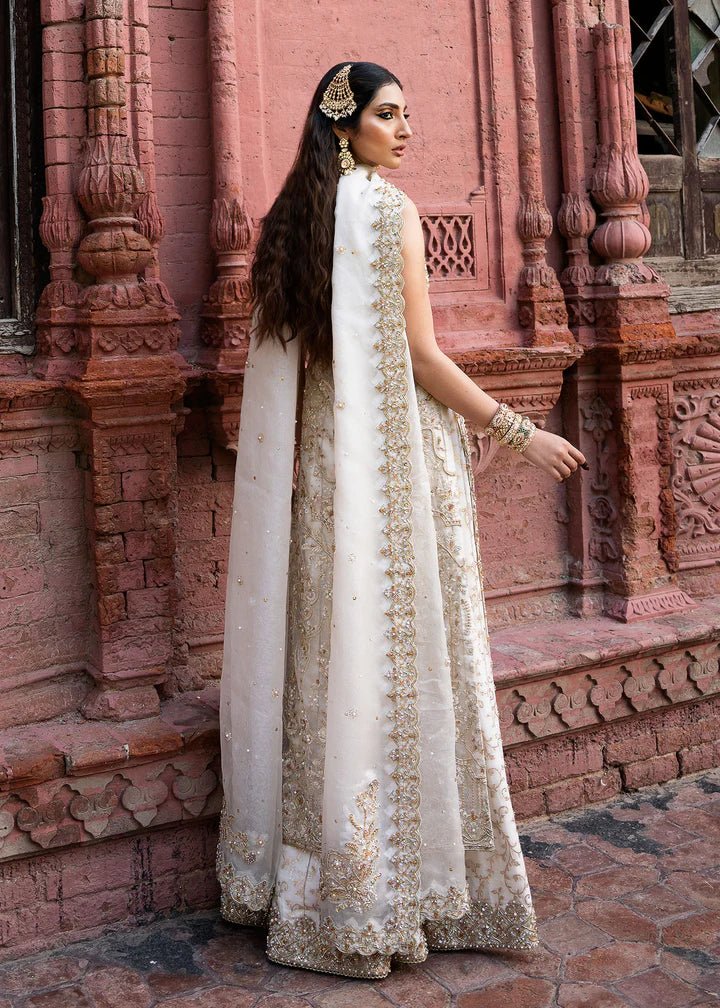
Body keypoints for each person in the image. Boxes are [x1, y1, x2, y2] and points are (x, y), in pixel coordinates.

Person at [216, 61, 586, 979]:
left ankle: (313, 894)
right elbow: (421, 356)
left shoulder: (291, 226)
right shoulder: (388, 213)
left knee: (327, 666)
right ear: (343, 125)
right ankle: (393, 894)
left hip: (326, 480)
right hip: (397, 475)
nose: (405, 130)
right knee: (401, 660)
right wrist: (517, 429)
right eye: (389, 115)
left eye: (408, 114)